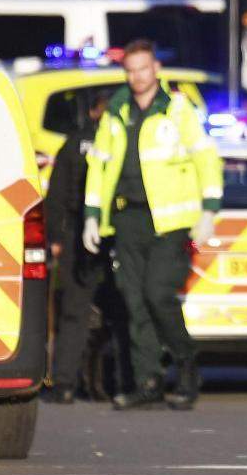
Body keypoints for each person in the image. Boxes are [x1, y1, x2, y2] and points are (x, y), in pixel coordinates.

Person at [83, 39, 223, 411]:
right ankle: (148, 381)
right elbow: (99, 167)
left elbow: (205, 158)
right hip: (126, 219)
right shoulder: (117, 111)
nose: (137, 76)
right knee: (134, 302)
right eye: (130, 70)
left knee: (157, 293)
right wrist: (92, 216)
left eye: (143, 68)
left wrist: (210, 208)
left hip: (170, 220)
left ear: (155, 69)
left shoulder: (176, 109)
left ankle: (186, 362)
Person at [46, 89, 113, 403]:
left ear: (92, 112)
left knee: (74, 310)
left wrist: (55, 240)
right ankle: (117, 383)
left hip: (76, 232)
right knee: (117, 313)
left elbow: (56, 195)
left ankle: (64, 384)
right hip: (116, 233)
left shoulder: (74, 143)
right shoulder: (123, 143)